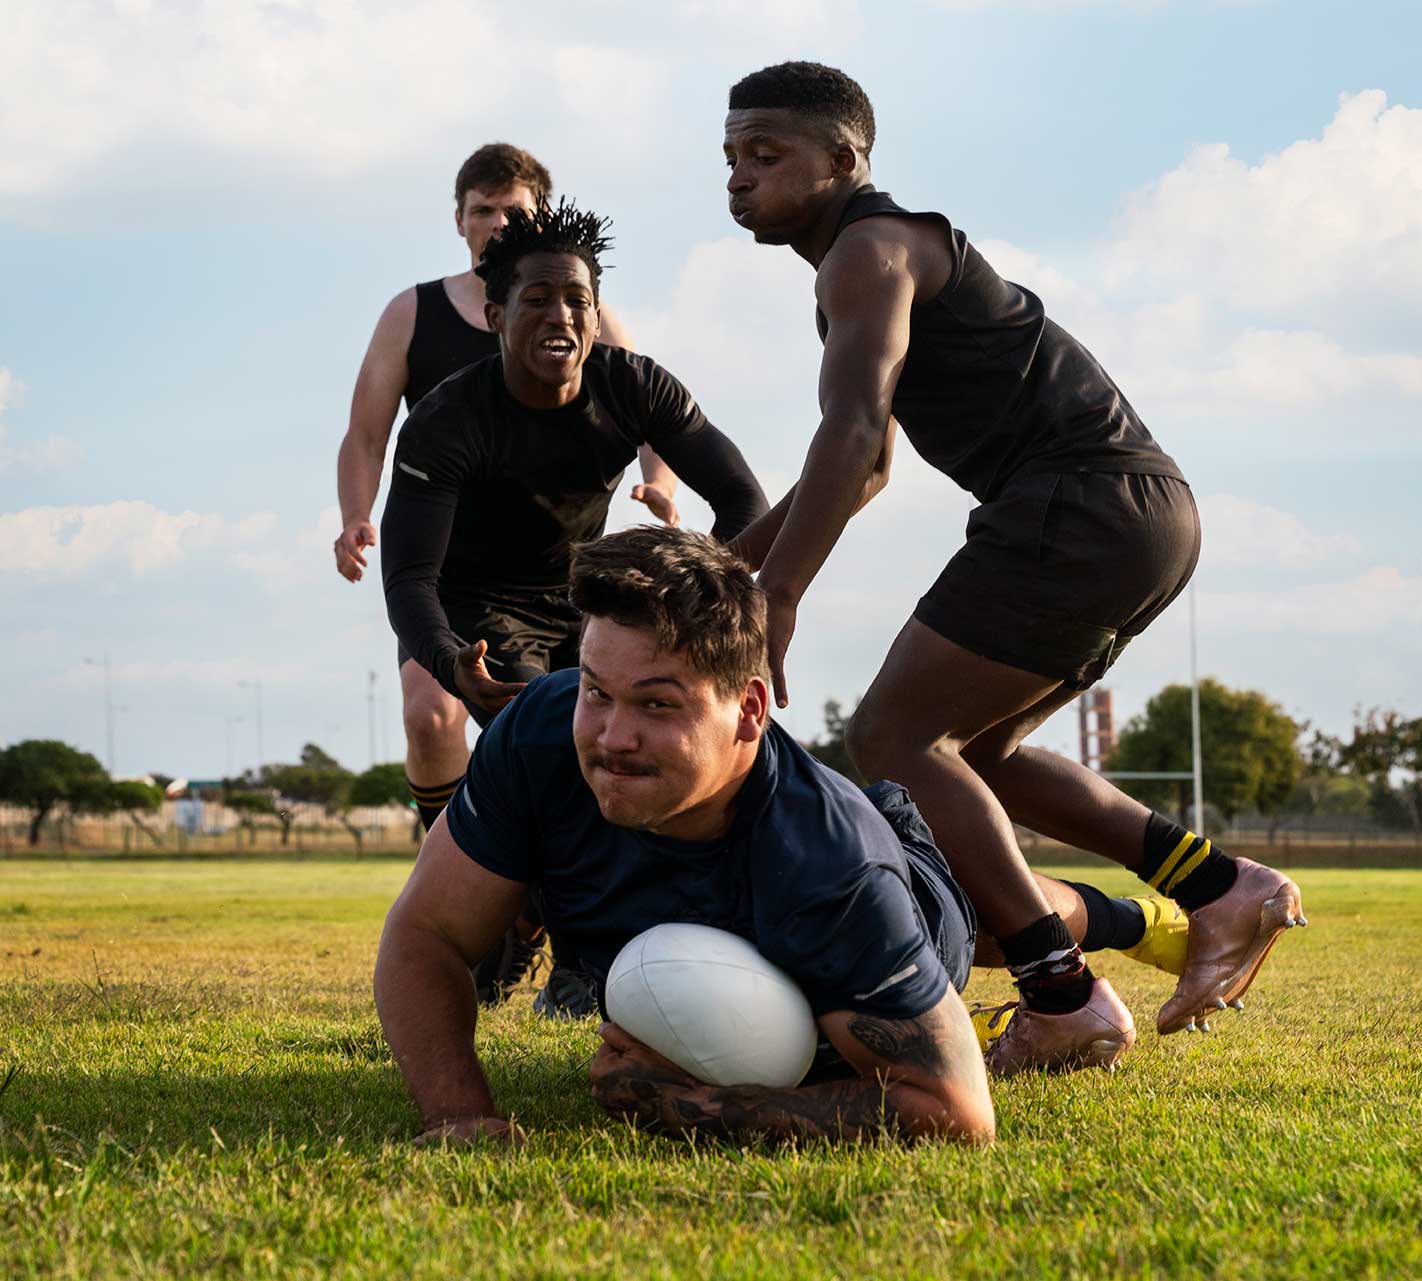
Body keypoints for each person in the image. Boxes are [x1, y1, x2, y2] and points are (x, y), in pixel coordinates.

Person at [718, 61, 1306, 1069]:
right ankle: (1217, 888)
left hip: (1079, 502)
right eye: (730, 159)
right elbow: (866, 475)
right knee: (972, 755)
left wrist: (776, 595)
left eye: (766, 156)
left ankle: (1065, 997)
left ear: (845, 159)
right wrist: (726, 566)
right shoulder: (865, 265)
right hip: (1137, 514)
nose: (739, 178)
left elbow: (854, 434)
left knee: (891, 734)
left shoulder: (867, 251)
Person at [372, 526, 1189, 1147]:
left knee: (984, 921)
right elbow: (426, 932)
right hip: (787, 891)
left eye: (659, 704)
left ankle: (1131, 922)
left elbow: (955, 1112)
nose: (612, 735)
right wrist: (461, 1115)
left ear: (750, 710)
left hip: (892, 878)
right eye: (598, 691)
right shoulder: (545, 732)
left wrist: (680, 1104)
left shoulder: (830, 867)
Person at [378, 201, 768, 1018]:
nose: (560, 314)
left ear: (596, 316)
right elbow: (411, 575)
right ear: (495, 314)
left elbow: (742, 499)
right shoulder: (448, 418)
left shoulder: (635, 385)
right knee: (568, 750)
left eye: (577, 300)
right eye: (537, 299)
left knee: (637, 754)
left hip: (590, 602)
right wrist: (452, 663)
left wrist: (700, 606)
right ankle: (559, 949)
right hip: (480, 610)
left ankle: (550, 931)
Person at [333, 142, 680, 840]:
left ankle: (553, 887)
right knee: (430, 717)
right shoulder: (413, 312)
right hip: (444, 571)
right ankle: (443, 859)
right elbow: (366, 433)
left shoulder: (587, 314)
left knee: (567, 730)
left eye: (511, 209)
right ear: (459, 222)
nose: (496, 222)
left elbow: (653, 415)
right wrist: (355, 517)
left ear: (541, 215)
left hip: (562, 573)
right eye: (481, 210)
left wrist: (658, 484)